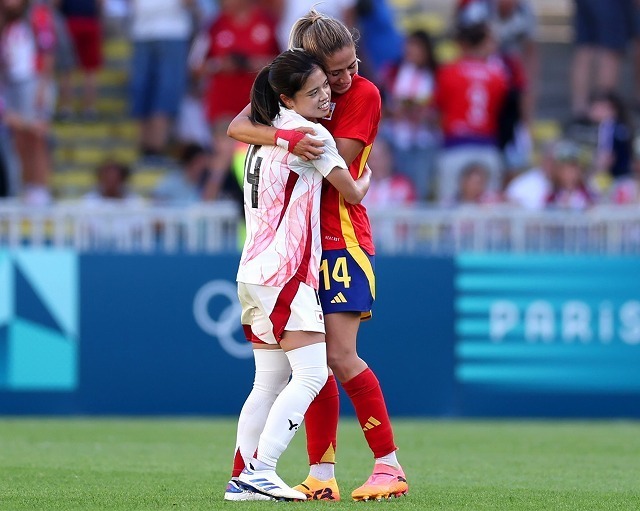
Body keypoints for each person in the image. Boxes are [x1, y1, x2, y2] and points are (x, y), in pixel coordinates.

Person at [227, 9, 409, 502]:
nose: (346, 80)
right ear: (308, 68)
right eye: (334, 73)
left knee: (336, 356)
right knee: (314, 366)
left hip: (341, 239)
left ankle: (388, 465)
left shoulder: (358, 96)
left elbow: (338, 165)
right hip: (301, 246)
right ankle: (320, 473)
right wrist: (285, 132)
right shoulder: (302, 107)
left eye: (352, 65)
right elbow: (240, 126)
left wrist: (285, 130)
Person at [433, 1, 508, 204]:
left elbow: (438, 107)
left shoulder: (448, 72)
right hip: (487, 146)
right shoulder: (498, 75)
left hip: (455, 146)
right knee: (489, 211)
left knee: (448, 208)